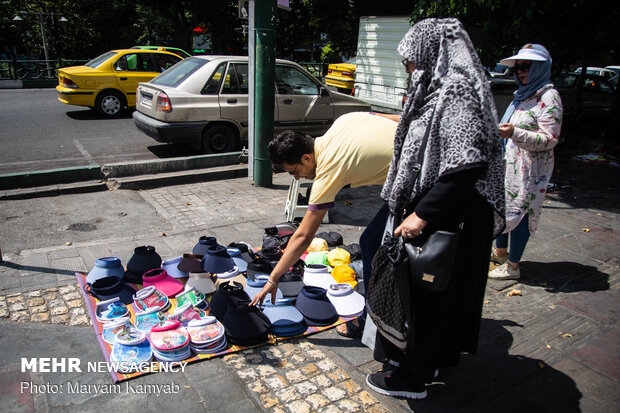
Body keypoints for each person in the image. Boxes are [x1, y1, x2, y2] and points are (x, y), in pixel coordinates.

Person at [364, 18, 505, 400]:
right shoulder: (434, 91)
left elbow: (467, 163)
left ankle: (414, 378)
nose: (409, 69)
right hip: (442, 210)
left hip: (448, 214)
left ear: (431, 53)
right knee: (432, 297)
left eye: (411, 60)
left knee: (429, 298)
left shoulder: (456, 92)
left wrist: (421, 214)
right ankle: (423, 361)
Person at [248, 112, 398, 314]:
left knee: (372, 243)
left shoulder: (327, 170)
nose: (297, 178)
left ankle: (371, 316)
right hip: (422, 158)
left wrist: (274, 278)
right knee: (370, 241)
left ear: (307, 158)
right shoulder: (343, 120)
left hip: (421, 180)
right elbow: (398, 117)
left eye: (294, 171)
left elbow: (302, 236)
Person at [489, 44, 562, 280]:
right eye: (518, 67)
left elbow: (549, 138)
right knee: (502, 208)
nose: (520, 71)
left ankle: (513, 267)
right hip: (510, 165)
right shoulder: (522, 95)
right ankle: (501, 253)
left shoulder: (549, 97)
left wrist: (514, 133)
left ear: (540, 68)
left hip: (531, 170)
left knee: (522, 213)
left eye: (527, 66)